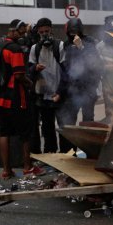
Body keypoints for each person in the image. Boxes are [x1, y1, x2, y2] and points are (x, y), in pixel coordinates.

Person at [0, 19, 44, 179]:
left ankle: (6, 170)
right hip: (16, 97)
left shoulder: (0, 46)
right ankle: (27, 167)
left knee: (4, 132)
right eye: (22, 32)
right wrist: (30, 84)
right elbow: (19, 75)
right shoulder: (15, 49)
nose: (23, 35)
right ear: (14, 31)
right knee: (25, 133)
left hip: (1, 97)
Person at [28, 17, 69, 153]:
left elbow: (66, 71)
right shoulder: (35, 48)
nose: (44, 34)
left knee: (63, 127)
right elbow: (29, 69)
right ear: (38, 32)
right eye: (41, 32)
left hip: (58, 94)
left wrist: (60, 92)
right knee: (47, 128)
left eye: (46, 31)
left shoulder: (60, 46)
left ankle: (65, 154)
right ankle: (50, 154)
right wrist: (35, 68)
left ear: (51, 30)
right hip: (43, 95)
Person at [61, 17, 103, 125]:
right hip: (73, 88)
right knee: (70, 119)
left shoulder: (90, 42)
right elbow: (66, 66)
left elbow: (94, 63)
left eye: (75, 31)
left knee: (88, 120)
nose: (73, 34)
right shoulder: (66, 44)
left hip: (88, 87)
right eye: (70, 32)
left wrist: (81, 47)